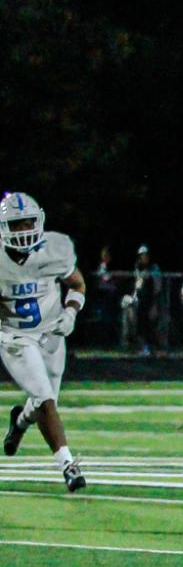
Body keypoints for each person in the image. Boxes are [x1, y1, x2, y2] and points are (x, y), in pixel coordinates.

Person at [0, 191, 89, 491]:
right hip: (14, 335)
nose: (24, 230)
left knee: (44, 401)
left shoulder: (56, 248)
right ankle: (67, 465)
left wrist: (71, 311)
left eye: (28, 223)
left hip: (51, 332)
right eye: (16, 225)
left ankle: (20, 421)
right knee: (44, 398)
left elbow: (76, 284)